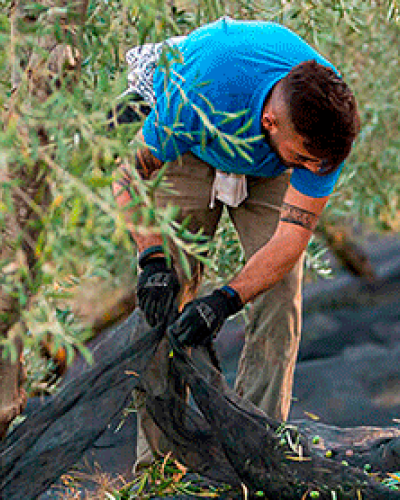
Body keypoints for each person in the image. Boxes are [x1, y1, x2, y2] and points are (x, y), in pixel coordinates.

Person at [112, 17, 359, 469]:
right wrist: (151, 260)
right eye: (304, 158)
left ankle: (257, 448)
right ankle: (161, 465)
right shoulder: (191, 98)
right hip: (196, 142)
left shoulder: (325, 130)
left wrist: (227, 300)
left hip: (268, 164)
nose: (312, 167)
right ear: (270, 121)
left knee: (281, 298)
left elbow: (291, 238)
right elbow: (126, 177)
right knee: (163, 294)